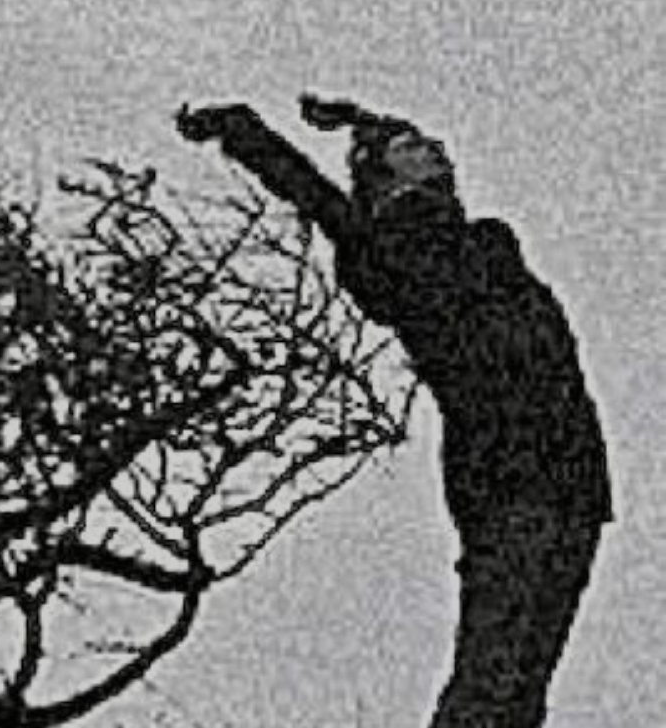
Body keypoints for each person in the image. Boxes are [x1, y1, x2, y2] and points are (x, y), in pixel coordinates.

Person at [176, 95, 612, 728]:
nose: (437, 149)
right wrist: (240, 129)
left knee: (522, 692)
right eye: (412, 147)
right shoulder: (387, 249)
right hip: (507, 478)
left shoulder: (486, 242)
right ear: (380, 175)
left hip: (575, 480)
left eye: (432, 142)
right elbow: (314, 195)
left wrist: (363, 120)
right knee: (491, 681)